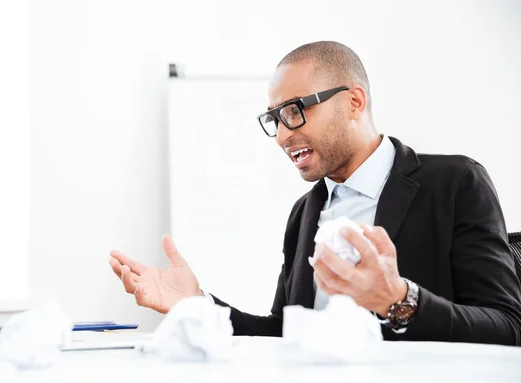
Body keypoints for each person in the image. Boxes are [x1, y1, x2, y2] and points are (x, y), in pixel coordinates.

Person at [109, 41, 521, 346]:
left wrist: (400, 301)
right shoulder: (305, 212)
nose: (283, 135)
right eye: (275, 118)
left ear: (354, 101)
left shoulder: (455, 183)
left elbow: (508, 327)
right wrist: (197, 305)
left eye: (295, 110)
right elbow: (283, 334)